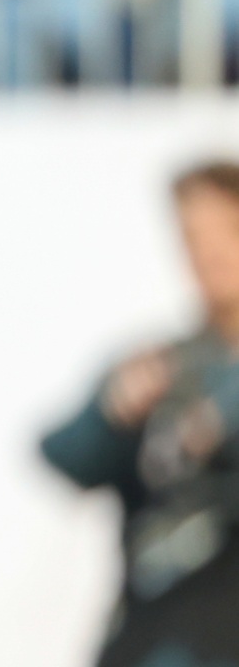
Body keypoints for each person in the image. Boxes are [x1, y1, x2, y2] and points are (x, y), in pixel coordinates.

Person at [43, 161, 239, 667]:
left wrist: (221, 418)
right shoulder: (165, 365)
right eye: (193, 236)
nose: (207, 253)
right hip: (153, 624)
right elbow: (63, 455)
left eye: (223, 231)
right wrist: (115, 412)